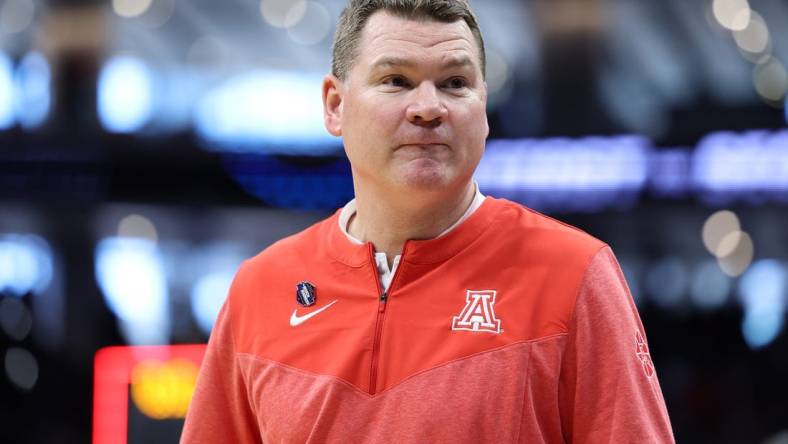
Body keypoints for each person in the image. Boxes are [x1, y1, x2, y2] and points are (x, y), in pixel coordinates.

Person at [181, 0, 675, 442]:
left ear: (483, 109)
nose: (428, 108)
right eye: (395, 80)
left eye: (454, 83)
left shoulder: (574, 273)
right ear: (335, 105)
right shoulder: (260, 289)